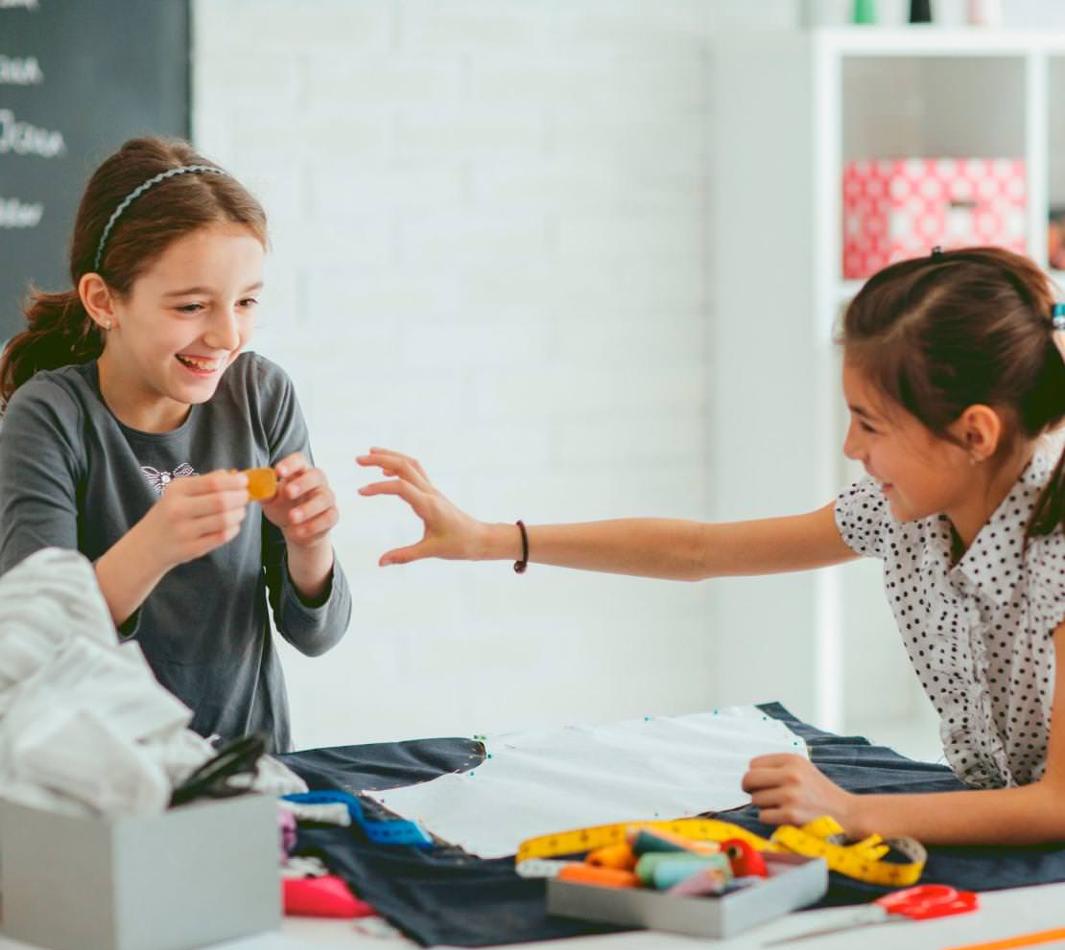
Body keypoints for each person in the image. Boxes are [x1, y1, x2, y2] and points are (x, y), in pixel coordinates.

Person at [358, 246, 1065, 845]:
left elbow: (1056, 804)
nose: (850, 447)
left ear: (974, 435)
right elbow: (697, 551)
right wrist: (490, 539)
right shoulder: (900, 515)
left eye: (869, 425)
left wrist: (849, 809)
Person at [0, 137, 351, 753]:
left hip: (250, 769)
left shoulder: (262, 395)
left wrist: (310, 543)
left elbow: (316, 635)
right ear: (104, 300)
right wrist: (154, 545)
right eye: (192, 306)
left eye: (246, 302)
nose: (227, 334)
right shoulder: (50, 416)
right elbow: (31, 645)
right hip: (100, 782)